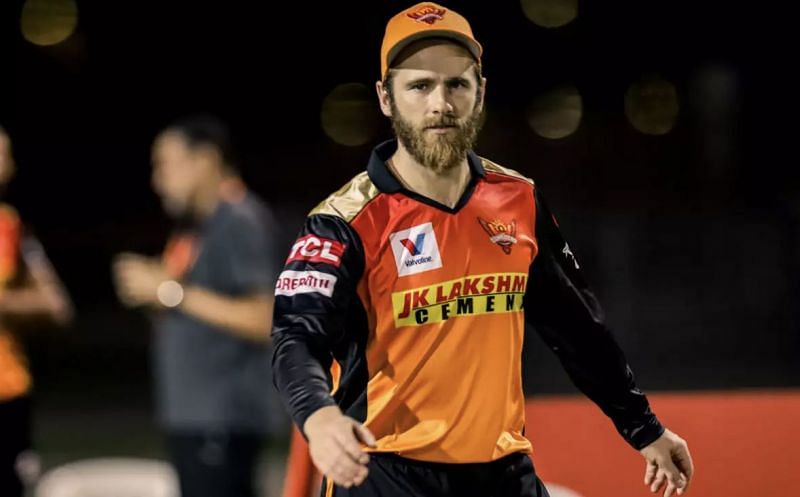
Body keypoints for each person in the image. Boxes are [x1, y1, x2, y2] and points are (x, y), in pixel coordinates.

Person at [271, 3, 694, 497]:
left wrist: (643, 428)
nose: (441, 103)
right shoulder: (342, 222)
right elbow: (296, 338)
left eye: (457, 85)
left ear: (481, 92)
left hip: (503, 472)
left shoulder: (519, 199)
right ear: (386, 98)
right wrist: (319, 418)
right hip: (383, 474)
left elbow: (577, 328)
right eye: (420, 86)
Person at [111, 115, 280, 497]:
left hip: (223, 418)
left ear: (204, 160)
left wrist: (169, 291)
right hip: (197, 418)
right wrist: (151, 292)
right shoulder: (198, 226)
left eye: (165, 164)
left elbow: (265, 316)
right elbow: (189, 302)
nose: (157, 180)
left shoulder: (239, 218)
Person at [0, 125, 73, 497]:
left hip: (8, 392)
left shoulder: (11, 227)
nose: (7, 165)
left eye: (7, 155)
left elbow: (56, 304)